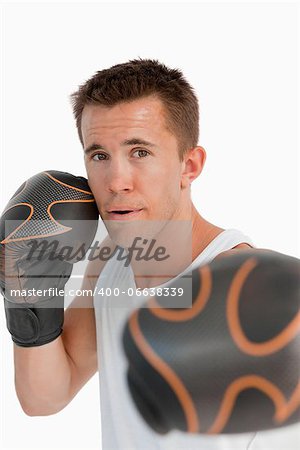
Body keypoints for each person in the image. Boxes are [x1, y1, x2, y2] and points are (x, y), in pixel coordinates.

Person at [2, 59, 291, 449]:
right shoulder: (108, 263)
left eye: (139, 152)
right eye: (99, 156)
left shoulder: (248, 283)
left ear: (189, 165)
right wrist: (27, 300)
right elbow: (44, 398)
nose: (116, 182)